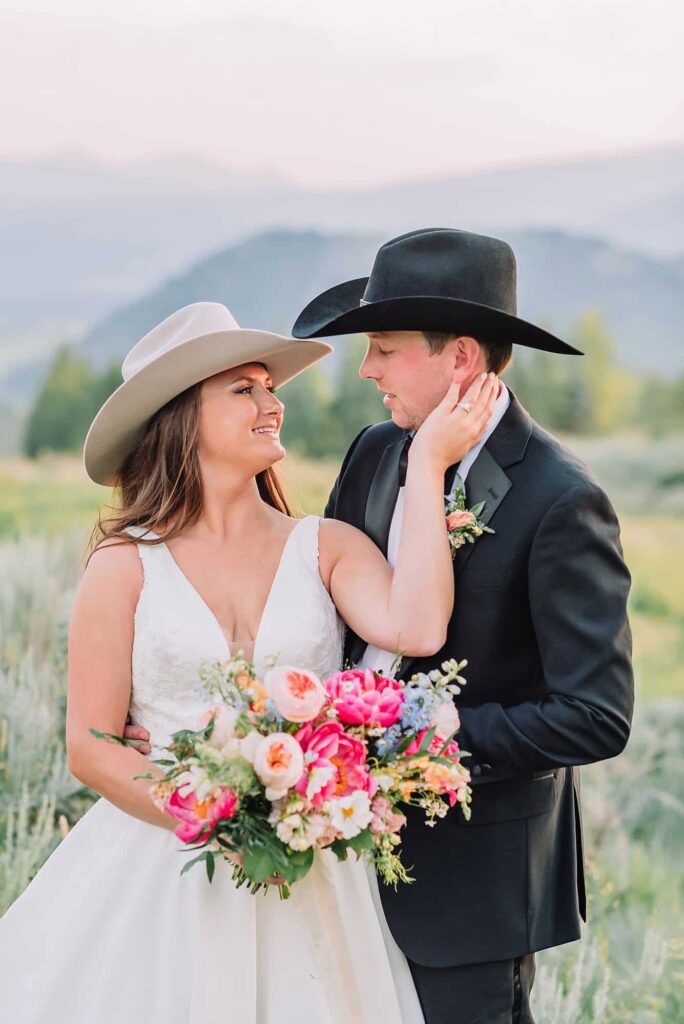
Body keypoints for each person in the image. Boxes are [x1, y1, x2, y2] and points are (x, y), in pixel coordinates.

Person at [0, 300, 498, 1024]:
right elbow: (91, 745)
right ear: (181, 417)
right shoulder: (123, 566)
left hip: (312, 876)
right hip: (166, 871)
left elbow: (417, 626)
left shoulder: (324, 546)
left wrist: (427, 465)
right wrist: (217, 820)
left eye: (271, 387)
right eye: (245, 390)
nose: (273, 404)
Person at [290, 227, 635, 1024]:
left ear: (462, 359)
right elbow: (333, 623)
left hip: (472, 895)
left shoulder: (560, 500)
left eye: (383, 347)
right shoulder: (376, 454)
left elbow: (596, 716)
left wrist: (422, 740)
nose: (367, 368)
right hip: (337, 866)